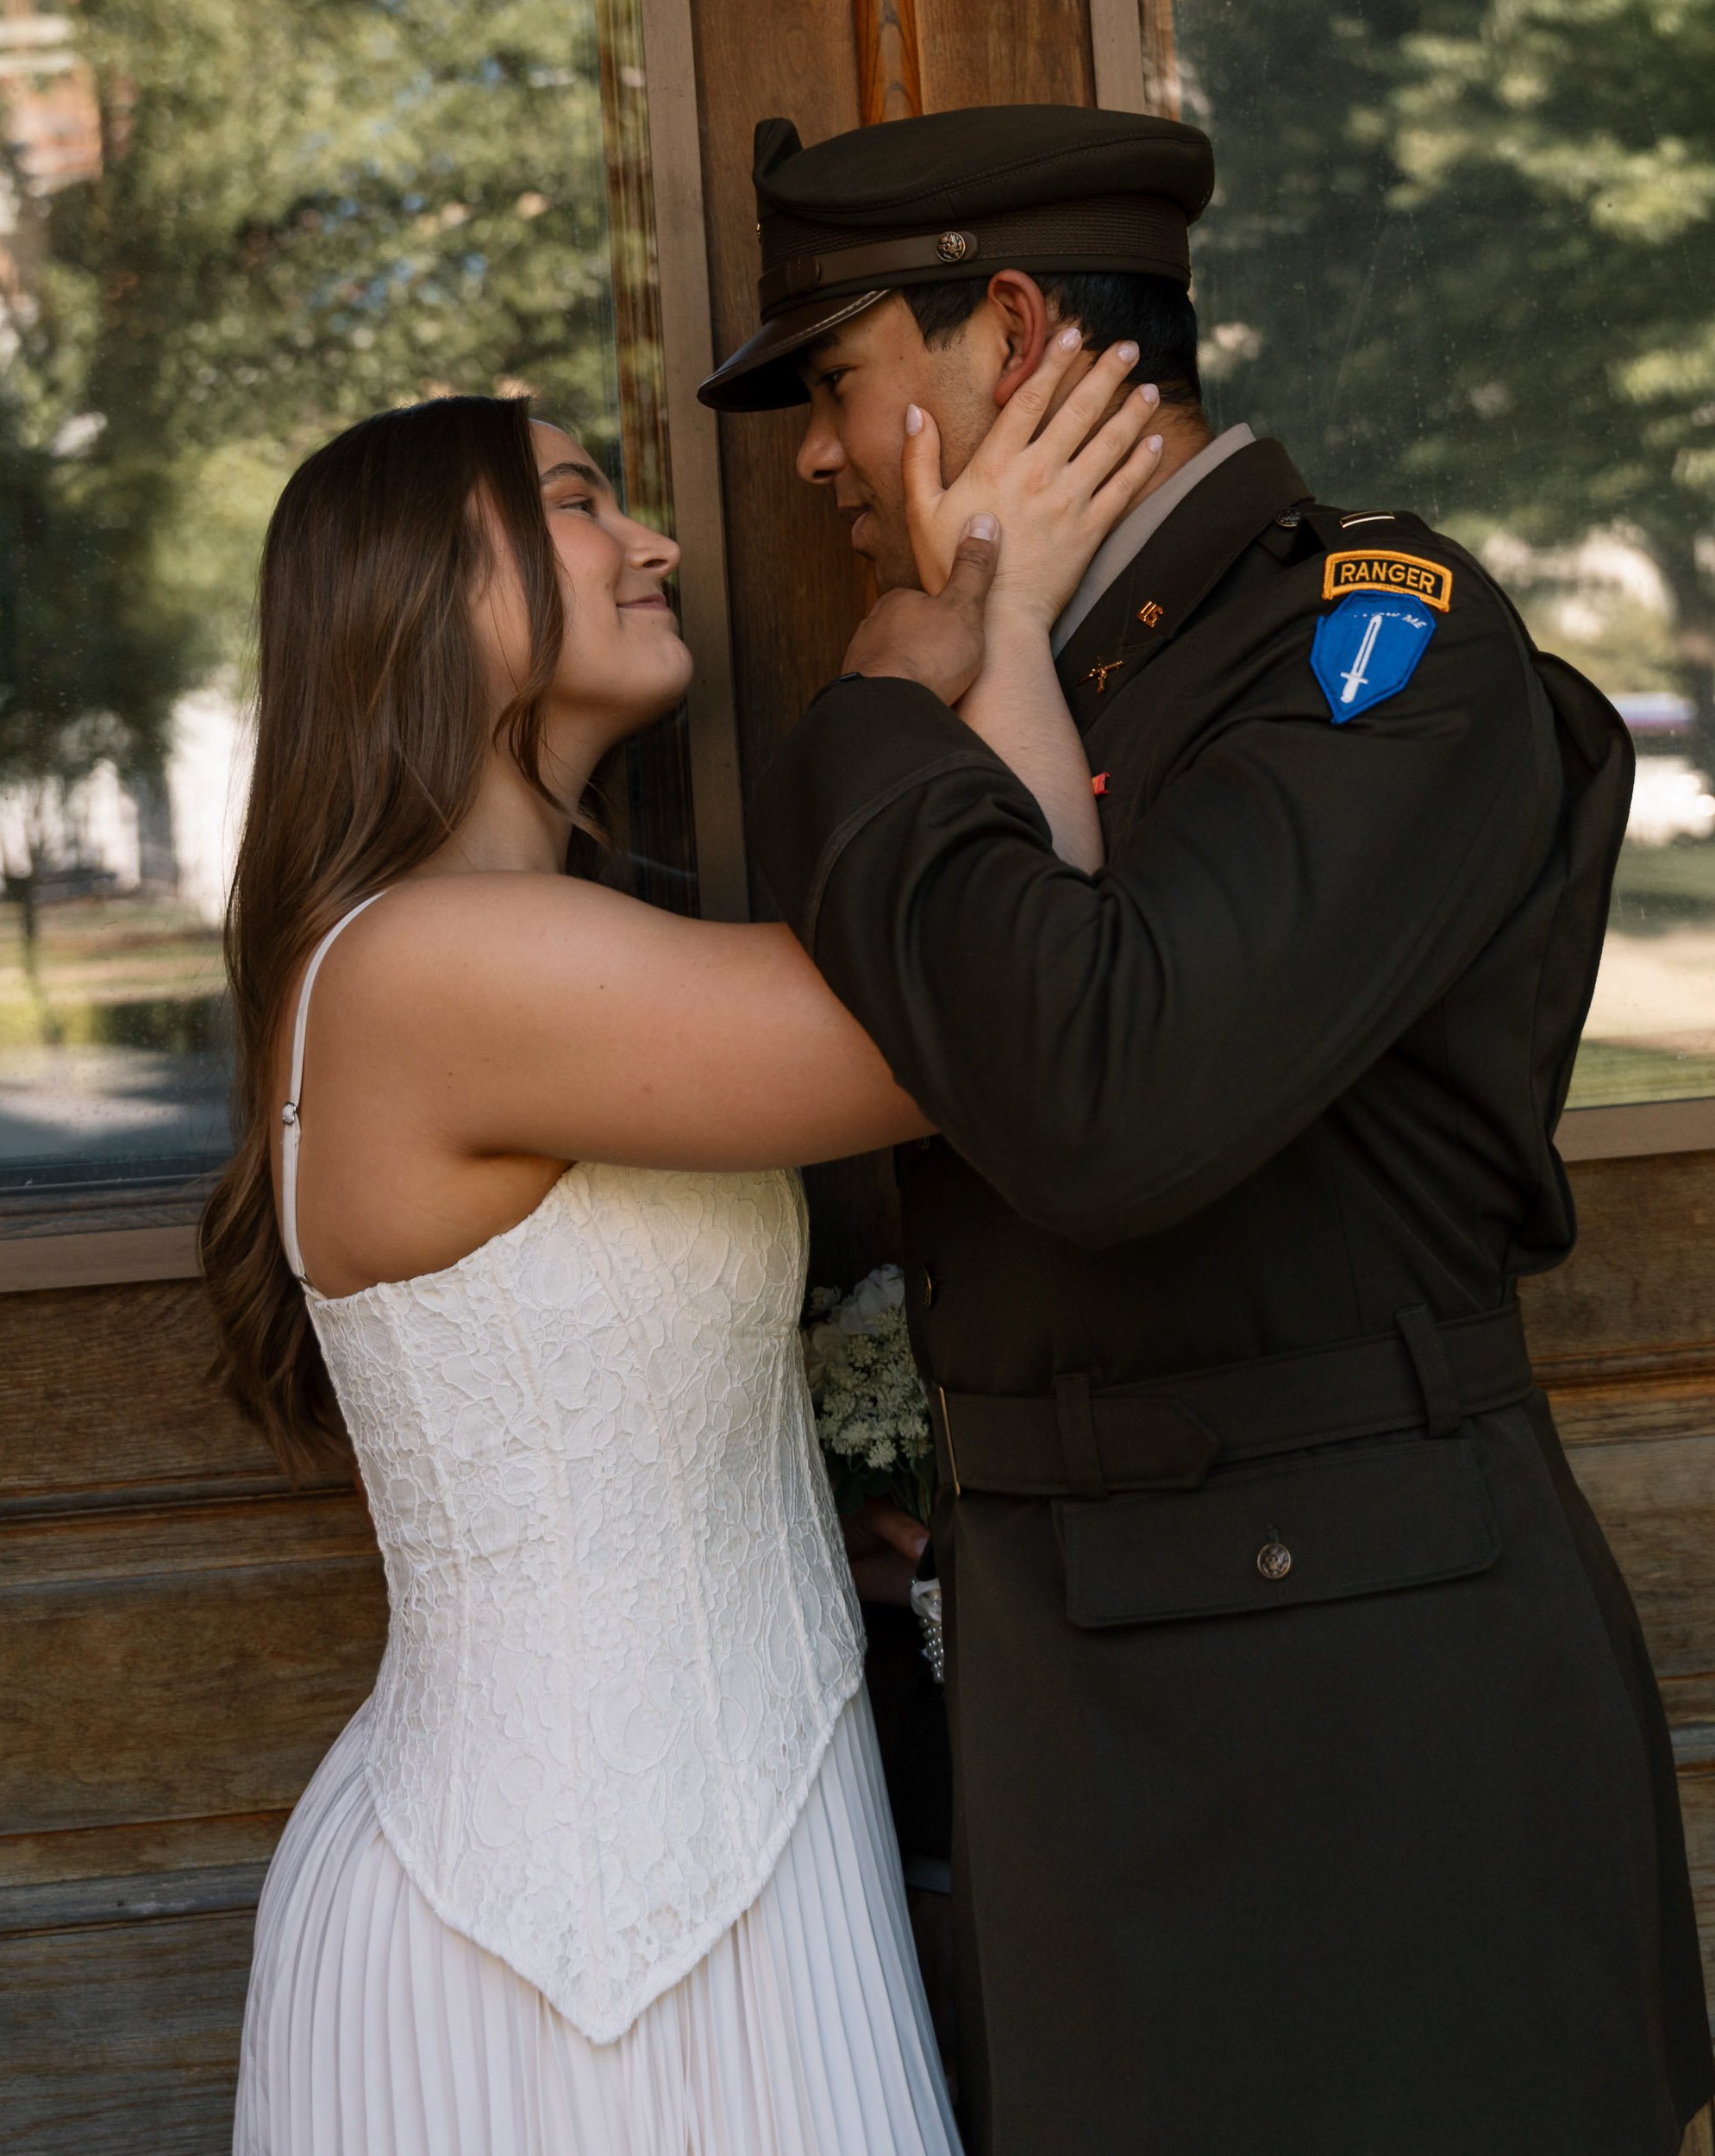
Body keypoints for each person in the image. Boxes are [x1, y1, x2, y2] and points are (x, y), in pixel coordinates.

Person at [699, 103, 1715, 2156]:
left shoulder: (1377, 638)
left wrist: (887, 711)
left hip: (1363, 1749)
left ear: (1005, 327)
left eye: (836, 379)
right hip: (1083, 1724)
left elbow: (1107, 1100)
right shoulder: (1059, 672)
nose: (812, 455)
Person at [202, 372, 1163, 2155]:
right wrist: (961, 636)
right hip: (561, 1954)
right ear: (419, 586)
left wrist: (800, 1534)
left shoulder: (522, 941)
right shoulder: (432, 961)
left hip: (760, 1873)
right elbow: (1007, 1014)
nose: (653, 541)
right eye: (578, 498)